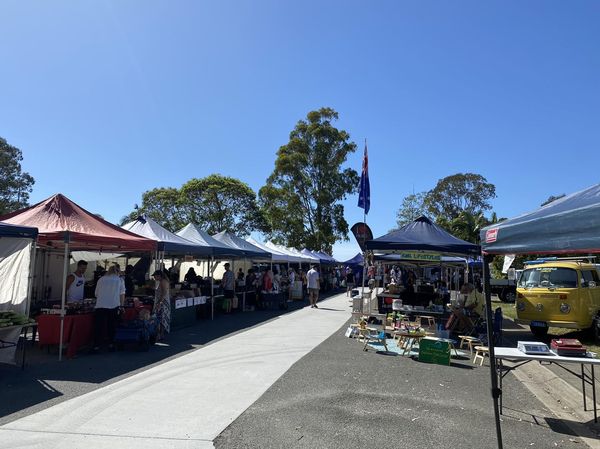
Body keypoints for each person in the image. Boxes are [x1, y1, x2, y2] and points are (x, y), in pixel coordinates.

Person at [92, 264, 125, 353]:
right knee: (112, 326)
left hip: (100, 305)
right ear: (117, 272)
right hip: (113, 305)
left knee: (99, 326)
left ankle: (96, 345)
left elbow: (96, 294)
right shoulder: (119, 280)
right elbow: (122, 294)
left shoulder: (101, 279)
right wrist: (122, 306)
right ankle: (111, 344)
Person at [153, 270, 171, 340]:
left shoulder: (163, 281)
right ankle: (160, 334)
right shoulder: (162, 281)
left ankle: (160, 334)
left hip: (163, 303)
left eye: (155, 276)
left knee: (161, 318)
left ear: (159, 276)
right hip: (162, 302)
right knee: (161, 318)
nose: (154, 278)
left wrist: (160, 302)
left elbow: (164, 292)